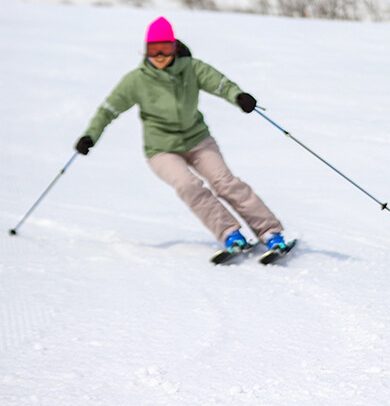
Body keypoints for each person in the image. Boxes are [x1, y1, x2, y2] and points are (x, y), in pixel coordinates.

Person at [75, 16, 289, 255]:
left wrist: (239, 97)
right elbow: (108, 110)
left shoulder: (192, 68)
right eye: (153, 50)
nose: (159, 55)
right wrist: (90, 136)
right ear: (145, 51)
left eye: (164, 48)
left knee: (226, 183)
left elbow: (221, 84)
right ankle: (230, 233)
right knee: (188, 185)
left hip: (198, 140)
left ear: (174, 47)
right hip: (162, 150)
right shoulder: (136, 81)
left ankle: (270, 233)